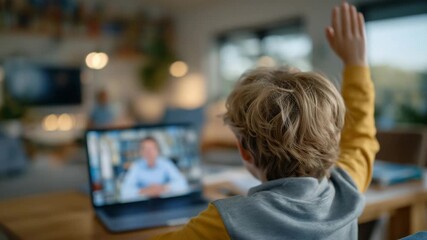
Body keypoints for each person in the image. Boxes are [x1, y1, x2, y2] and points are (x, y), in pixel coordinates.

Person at [150, 2, 379, 240]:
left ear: (244, 151)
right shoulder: (347, 190)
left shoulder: (227, 221)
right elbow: (361, 139)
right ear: (333, 137)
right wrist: (357, 64)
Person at [121, 136, 189, 200]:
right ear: (141, 152)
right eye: (145, 149)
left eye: (152, 148)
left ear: (158, 151)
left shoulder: (166, 163)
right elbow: (124, 192)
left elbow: (183, 184)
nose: (149, 152)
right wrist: (144, 191)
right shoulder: (136, 167)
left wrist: (164, 188)